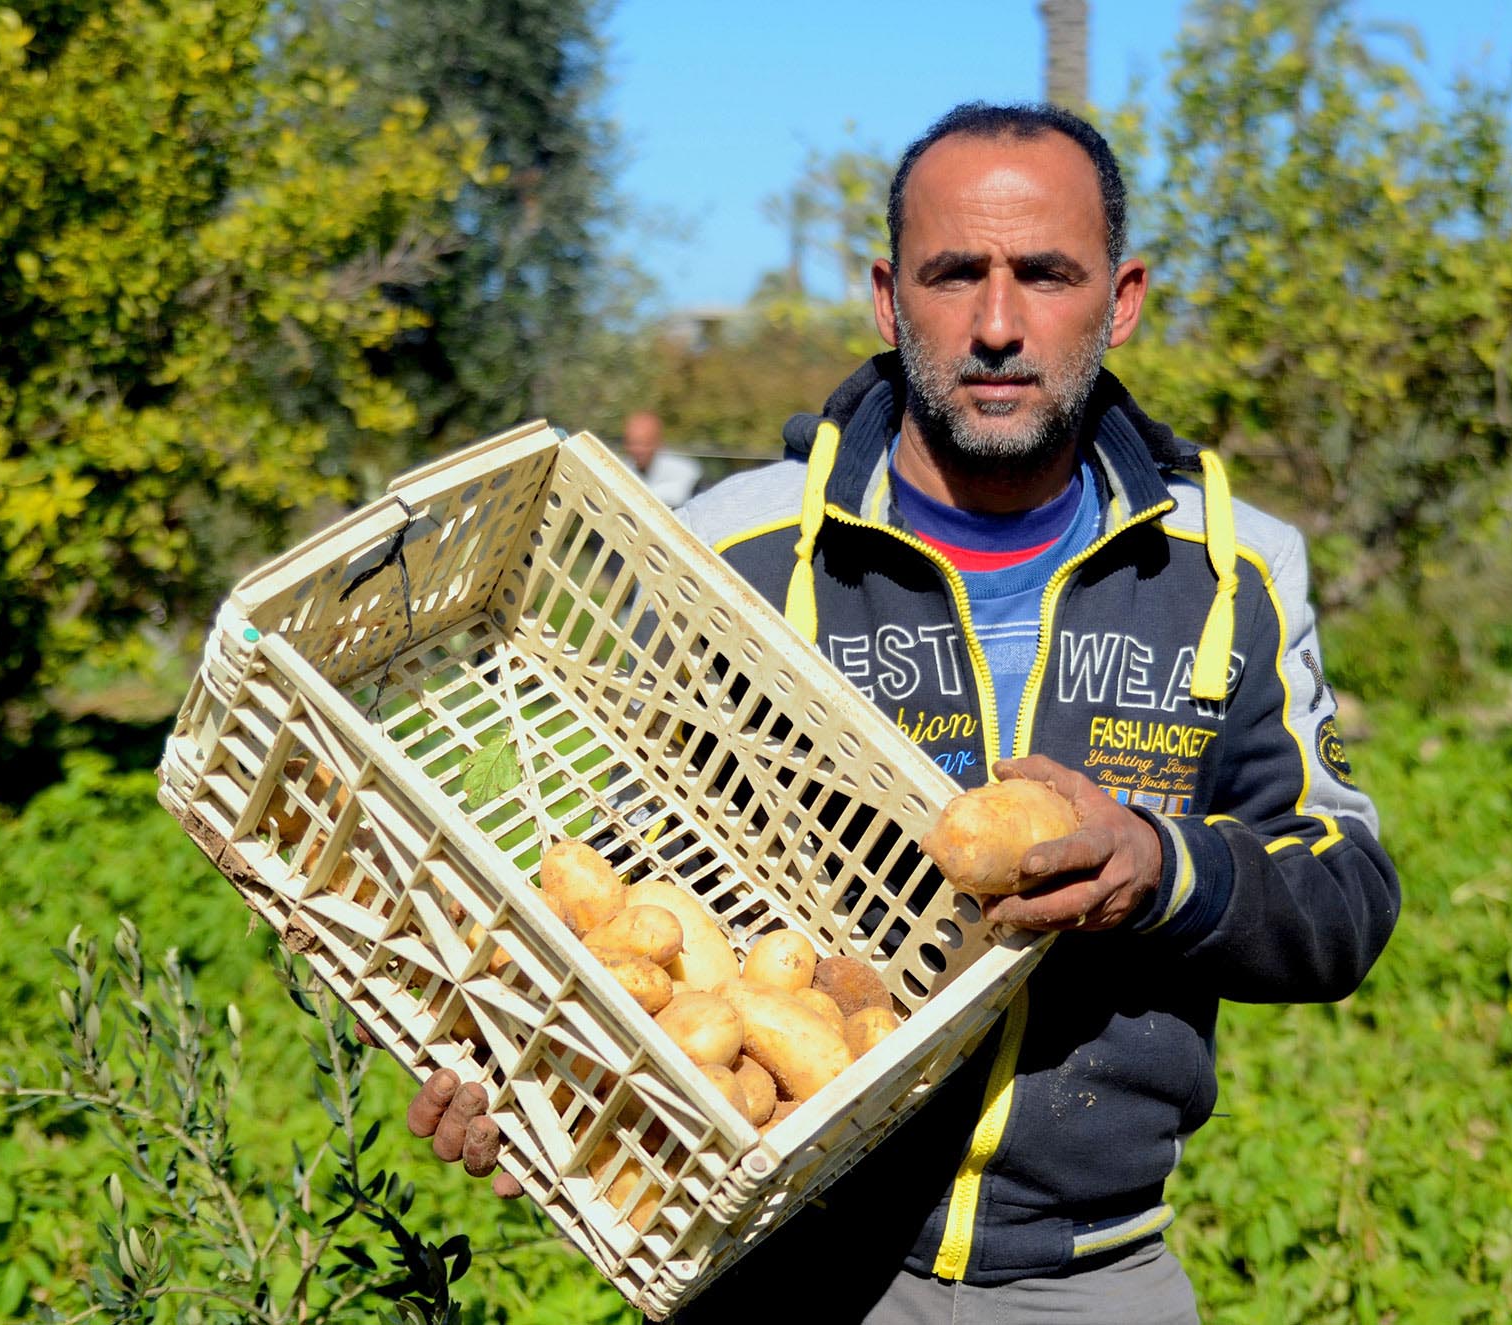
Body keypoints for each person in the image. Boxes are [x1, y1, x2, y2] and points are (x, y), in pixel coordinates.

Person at [403, 102, 1400, 1322]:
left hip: (1088, 1276)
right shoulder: (736, 547)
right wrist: (527, 1054)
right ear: (887, 298)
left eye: (1043, 273)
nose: (995, 323)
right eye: (951, 274)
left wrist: (1158, 865)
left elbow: (1342, 894)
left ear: (1121, 297)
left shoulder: (1228, 569)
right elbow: (635, 878)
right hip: (773, 1259)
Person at [621, 408, 703, 508]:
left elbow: (677, 498)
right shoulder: (620, 469)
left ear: (658, 442)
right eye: (631, 443)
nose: (637, 450)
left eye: (644, 444)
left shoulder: (685, 470)